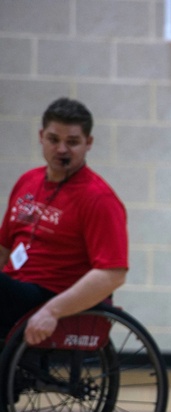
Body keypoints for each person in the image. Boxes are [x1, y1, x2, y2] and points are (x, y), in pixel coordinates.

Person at [0, 98, 128, 345]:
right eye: (53, 139)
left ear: (88, 143)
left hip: (50, 295)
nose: (61, 149)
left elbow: (113, 274)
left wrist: (52, 311)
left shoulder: (98, 198)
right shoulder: (27, 181)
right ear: (41, 136)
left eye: (72, 142)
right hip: (14, 287)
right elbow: (4, 248)